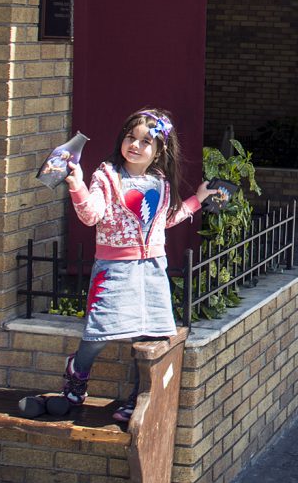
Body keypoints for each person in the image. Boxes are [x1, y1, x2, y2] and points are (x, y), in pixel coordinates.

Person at [48, 109, 215, 422]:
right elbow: (91, 215)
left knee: (152, 338)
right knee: (98, 332)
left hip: (152, 268)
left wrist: (197, 199)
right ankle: (77, 373)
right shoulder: (106, 176)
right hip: (114, 270)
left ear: (159, 151)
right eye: (130, 137)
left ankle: (136, 399)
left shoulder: (161, 182)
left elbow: (164, 220)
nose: (135, 145)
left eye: (145, 141)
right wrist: (77, 184)